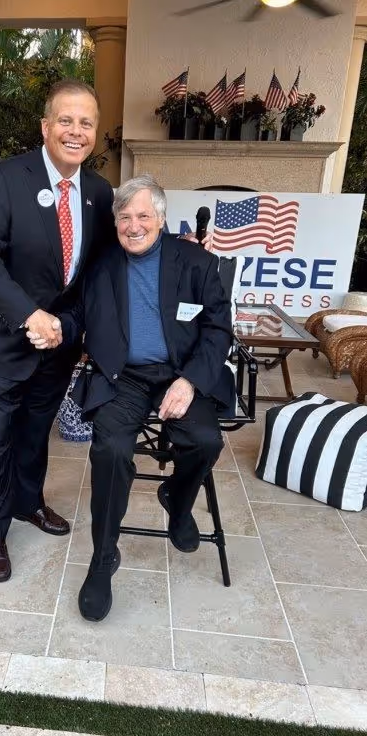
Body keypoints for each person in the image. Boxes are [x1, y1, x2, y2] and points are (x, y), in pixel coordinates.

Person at [28, 174, 234, 621]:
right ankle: (103, 557)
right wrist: (56, 325)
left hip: (179, 375)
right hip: (122, 376)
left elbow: (219, 329)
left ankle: (178, 502)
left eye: (143, 215)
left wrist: (190, 382)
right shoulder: (100, 264)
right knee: (110, 449)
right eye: (125, 217)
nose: (134, 225)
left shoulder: (195, 262)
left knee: (204, 441)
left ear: (160, 219)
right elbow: (76, 312)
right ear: (115, 222)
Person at [0, 79, 115, 583]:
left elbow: (94, 271)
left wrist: (67, 328)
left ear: (95, 131)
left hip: (59, 344)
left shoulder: (97, 191)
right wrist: (30, 317)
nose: (77, 131)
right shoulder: (5, 178)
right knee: (0, 436)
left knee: (36, 431)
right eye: (66, 120)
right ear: (46, 127)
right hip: (7, 338)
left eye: (87, 122)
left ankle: (29, 503)